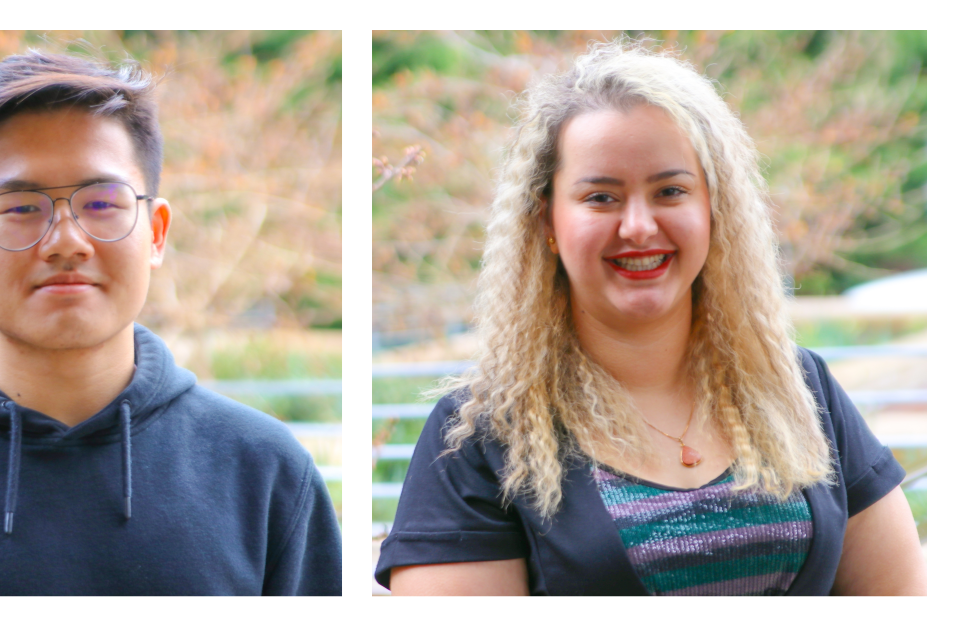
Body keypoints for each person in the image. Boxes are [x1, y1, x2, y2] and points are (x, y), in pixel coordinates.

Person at [376, 36, 925, 596]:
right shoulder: (479, 438)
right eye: (600, 198)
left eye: (670, 190)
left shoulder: (799, 390)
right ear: (546, 222)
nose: (638, 226)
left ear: (714, 209)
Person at [0, 46, 342, 597]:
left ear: (156, 231)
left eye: (102, 203)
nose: (66, 242)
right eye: (22, 207)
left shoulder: (263, 471)